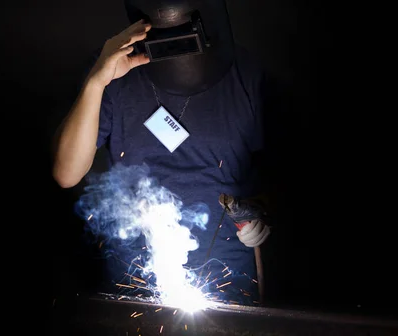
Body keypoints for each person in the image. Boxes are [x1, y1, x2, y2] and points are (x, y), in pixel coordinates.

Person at [51, 0, 275, 306]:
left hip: (226, 283)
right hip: (135, 283)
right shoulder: (113, 74)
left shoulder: (247, 74)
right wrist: (97, 81)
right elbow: (66, 173)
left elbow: (281, 172)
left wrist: (261, 211)